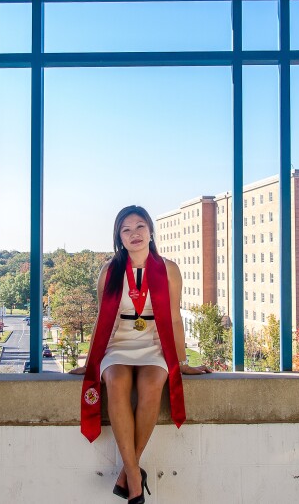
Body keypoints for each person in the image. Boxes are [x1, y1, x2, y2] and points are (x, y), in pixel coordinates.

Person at [69, 205, 211, 503]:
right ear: (119, 238)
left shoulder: (168, 269)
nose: (134, 234)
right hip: (118, 342)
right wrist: (91, 361)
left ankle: (127, 473)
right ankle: (134, 475)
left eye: (140, 226)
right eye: (126, 229)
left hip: (154, 342)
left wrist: (182, 362)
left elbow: (173, 318)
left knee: (151, 385)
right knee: (117, 383)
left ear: (150, 231)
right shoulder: (109, 271)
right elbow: (100, 317)